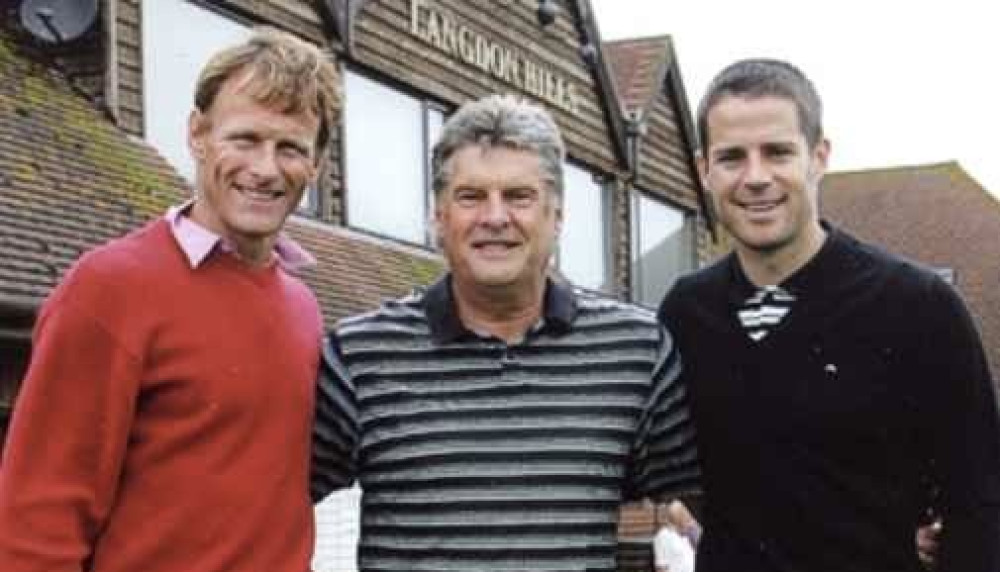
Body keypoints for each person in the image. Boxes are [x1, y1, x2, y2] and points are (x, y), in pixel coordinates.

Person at [311, 94, 700, 572]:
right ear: (439, 217)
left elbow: (720, 508)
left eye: (519, 196)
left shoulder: (636, 353)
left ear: (556, 217)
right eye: (471, 196)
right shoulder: (360, 355)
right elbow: (262, 508)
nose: (495, 217)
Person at [0, 27, 339, 572]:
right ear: (198, 134)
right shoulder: (110, 288)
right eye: (245, 139)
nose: (265, 168)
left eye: (290, 148)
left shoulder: (303, 308)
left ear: (315, 166)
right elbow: (37, 518)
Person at [658, 58, 1000, 572]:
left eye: (777, 152)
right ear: (705, 170)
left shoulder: (918, 306)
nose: (756, 178)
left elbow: (979, 498)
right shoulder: (688, 312)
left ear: (819, 157)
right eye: (732, 157)